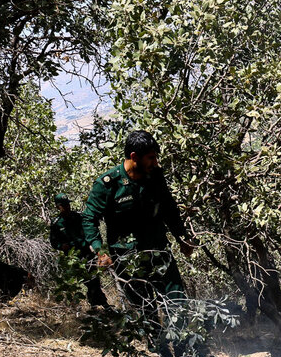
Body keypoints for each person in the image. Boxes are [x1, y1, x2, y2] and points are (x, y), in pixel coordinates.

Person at [82, 130, 195, 309]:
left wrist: (182, 237)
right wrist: (100, 251)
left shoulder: (155, 176)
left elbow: (169, 209)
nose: (155, 162)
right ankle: (156, 338)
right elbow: (89, 219)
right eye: (151, 157)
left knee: (177, 303)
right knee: (145, 311)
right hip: (128, 259)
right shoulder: (107, 184)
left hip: (159, 251)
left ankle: (181, 337)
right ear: (134, 156)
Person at [49, 193, 108, 307]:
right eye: (63, 205)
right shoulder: (56, 223)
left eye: (68, 204)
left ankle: (99, 305)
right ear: (58, 206)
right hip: (73, 258)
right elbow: (54, 242)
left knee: (94, 280)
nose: (67, 207)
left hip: (86, 253)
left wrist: (92, 244)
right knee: (86, 282)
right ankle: (98, 304)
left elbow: (89, 230)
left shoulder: (79, 217)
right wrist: (61, 246)